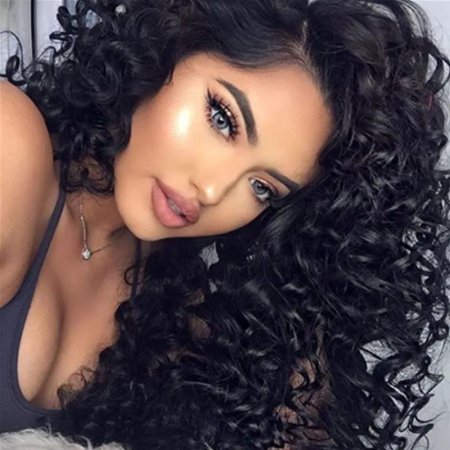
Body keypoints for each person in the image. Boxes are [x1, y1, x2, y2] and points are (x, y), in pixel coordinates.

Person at [0, 0, 449, 448]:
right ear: (167, 48)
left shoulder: (167, 309)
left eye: (262, 187)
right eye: (223, 119)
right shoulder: (10, 145)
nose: (213, 190)